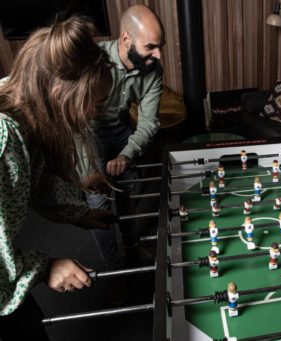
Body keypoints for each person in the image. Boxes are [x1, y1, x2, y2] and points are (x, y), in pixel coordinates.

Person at [0, 17, 113, 341]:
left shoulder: (24, 101)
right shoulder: (4, 137)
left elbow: (37, 182)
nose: (94, 112)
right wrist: (44, 267)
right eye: (95, 101)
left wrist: (79, 213)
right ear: (60, 91)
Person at [84, 4, 165, 295]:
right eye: (151, 47)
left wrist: (126, 154)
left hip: (120, 130)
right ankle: (114, 267)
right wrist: (88, 168)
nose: (158, 55)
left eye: (160, 46)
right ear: (126, 40)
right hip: (86, 132)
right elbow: (73, 122)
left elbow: (148, 122)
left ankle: (132, 245)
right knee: (99, 204)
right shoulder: (92, 62)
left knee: (129, 190)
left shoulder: (153, 69)